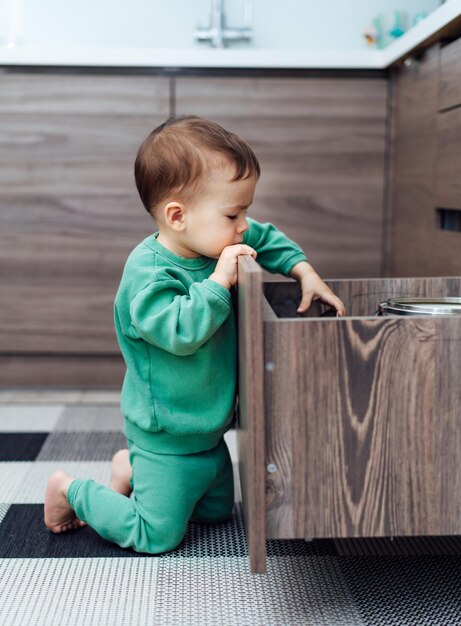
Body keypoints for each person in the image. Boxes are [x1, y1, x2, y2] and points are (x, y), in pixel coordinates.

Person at [44, 116, 345, 553]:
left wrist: (304, 271)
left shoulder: (214, 239)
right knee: (158, 535)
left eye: (244, 210)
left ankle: (129, 470)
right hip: (166, 434)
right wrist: (220, 281)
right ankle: (70, 490)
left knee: (217, 512)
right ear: (177, 216)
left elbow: (266, 237)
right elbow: (181, 332)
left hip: (208, 429)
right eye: (233, 213)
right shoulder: (147, 273)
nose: (244, 225)